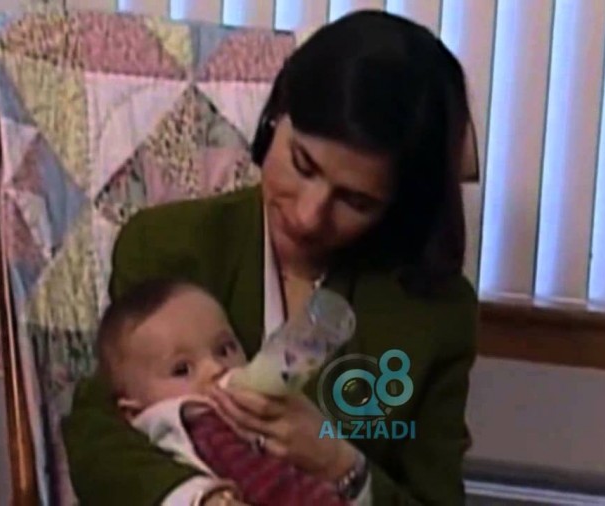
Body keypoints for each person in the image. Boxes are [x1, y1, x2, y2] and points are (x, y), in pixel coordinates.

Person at [62, 10, 479, 506]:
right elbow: (100, 432)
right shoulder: (167, 244)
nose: (308, 216)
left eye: (356, 201)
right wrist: (200, 500)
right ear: (272, 119)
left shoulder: (433, 313)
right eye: (302, 164)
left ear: (400, 207)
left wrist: (341, 465)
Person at [95, 278, 353, 506]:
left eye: (224, 349)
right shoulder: (200, 424)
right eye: (182, 369)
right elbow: (271, 486)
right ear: (134, 412)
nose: (216, 368)